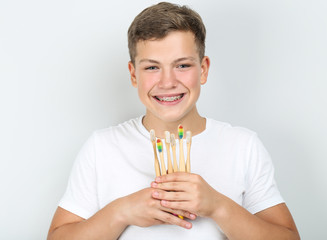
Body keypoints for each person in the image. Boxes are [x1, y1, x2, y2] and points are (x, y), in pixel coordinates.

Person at [47, 2, 300, 240]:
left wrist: (218, 206)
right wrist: (120, 211)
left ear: (203, 69)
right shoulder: (101, 147)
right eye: (152, 68)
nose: (167, 82)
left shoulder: (243, 146)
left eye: (182, 65)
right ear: (133, 74)